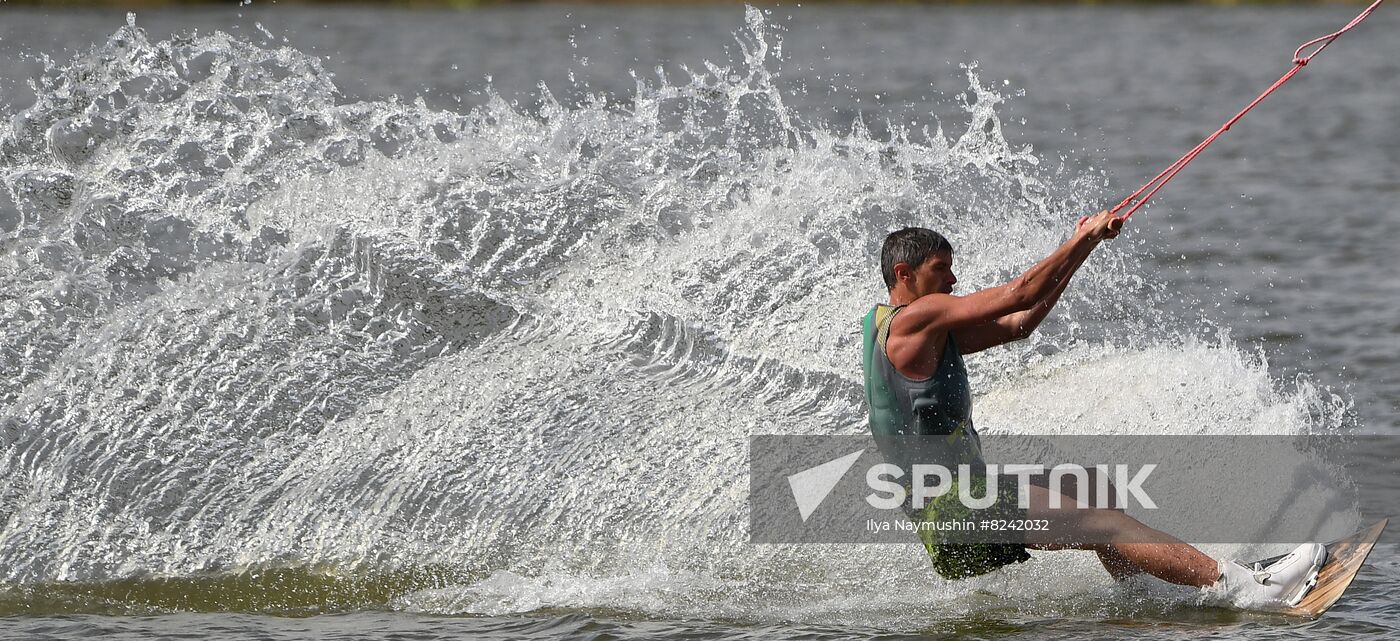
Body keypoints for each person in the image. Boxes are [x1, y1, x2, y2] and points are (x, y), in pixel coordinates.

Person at [861, 212, 1326, 609]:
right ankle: (1249, 591)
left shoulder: (913, 334)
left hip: (955, 509)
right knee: (1106, 525)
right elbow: (1019, 292)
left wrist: (1088, 247)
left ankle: (1147, 594)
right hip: (956, 510)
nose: (953, 281)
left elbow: (1020, 323)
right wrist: (1082, 235)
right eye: (941, 269)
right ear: (904, 274)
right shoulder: (915, 320)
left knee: (1093, 488)